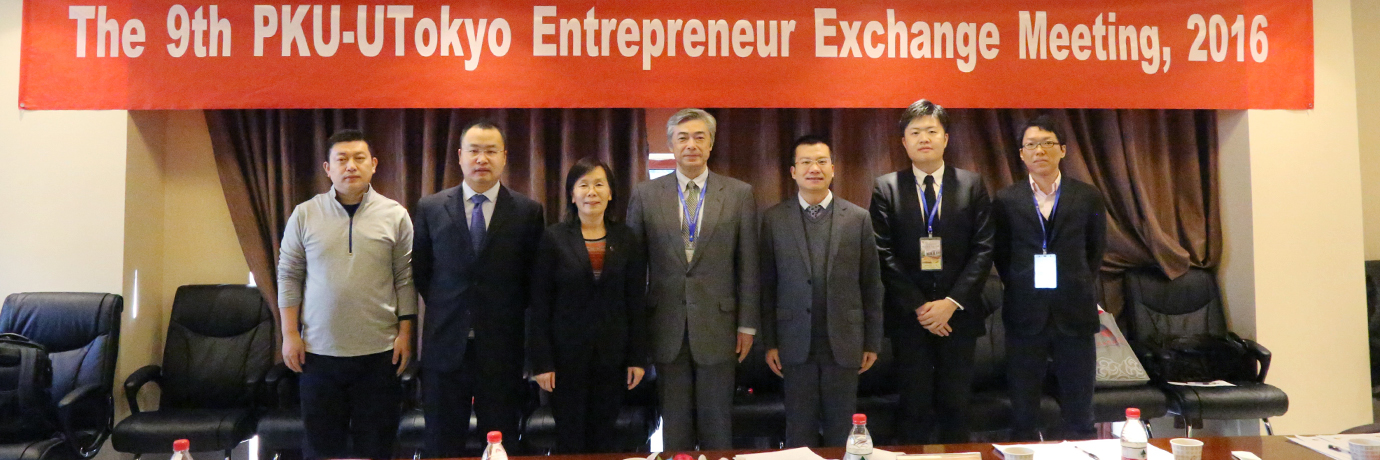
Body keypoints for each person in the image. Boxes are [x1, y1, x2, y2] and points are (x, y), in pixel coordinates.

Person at [277, 129, 416, 460]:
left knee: (378, 447)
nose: (350, 166)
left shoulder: (395, 214)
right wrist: (290, 333)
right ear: (328, 168)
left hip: (380, 354)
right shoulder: (305, 214)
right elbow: (289, 274)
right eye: (341, 159)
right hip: (319, 354)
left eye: (359, 158)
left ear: (374, 164)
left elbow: (405, 277)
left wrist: (406, 333)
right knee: (321, 448)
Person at [625, 108, 759, 450]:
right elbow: (633, 269)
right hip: (665, 323)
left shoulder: (739, 193)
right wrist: (636, 330)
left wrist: (747, 324)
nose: (691, 145)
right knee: (676, 428)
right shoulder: (645, 194)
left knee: (717, 425)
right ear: (671, 145)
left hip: (720, 324)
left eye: (700, 137)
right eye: (682, 138)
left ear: (711, 144)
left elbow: (748, 264)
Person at [412, 120, 545, 457]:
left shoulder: (527, 212)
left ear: (504, 157)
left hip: (501, 347)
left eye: (490, 151)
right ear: (460, 156)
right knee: (442, 443)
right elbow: (422, 273)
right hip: (445, 344)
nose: (481, 159)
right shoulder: (431, 207)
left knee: (500, 441)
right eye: (474, 151)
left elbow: (533, 281)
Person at [869, 99, 995, 444]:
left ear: (946, 138)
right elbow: (883, 253)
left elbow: (984, 249)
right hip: (910, 318)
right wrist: (921, 307)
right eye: (915, 132)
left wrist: (951, 303)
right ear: (903, 142)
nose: (924, 138)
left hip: (959, 316)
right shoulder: (886, 187)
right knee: (914, 407)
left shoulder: (971, 184)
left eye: (931, 131)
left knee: (957, 406)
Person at [760, 136, 884, 447]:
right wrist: (770, 341)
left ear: (833, 169)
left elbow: (871, 284)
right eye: (805, 162)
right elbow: (767, 285)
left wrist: (872, 340)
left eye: (821, 162)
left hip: (844, 340)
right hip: (793, 341)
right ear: (793, 171)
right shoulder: (774, 219)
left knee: (842, 430)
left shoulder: (857, 218)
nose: (813, 168)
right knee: (798, 430)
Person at [993, 114, 1107, 441]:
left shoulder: (1087, 196)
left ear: (1063, 149)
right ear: (1021, 154)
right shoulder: (1006, 199)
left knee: (1080, 413)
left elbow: (1095, 250)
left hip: (1075, 311)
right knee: (1024, 414)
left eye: (1047, 143)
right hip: (1025, 313)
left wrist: (1074, 281)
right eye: (1031, 145)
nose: (1039, 151)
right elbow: (1002, 254)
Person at [528, 157, 649, 453]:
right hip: (565, 359)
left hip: (612, 357)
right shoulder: (553, 238)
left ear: (610, 193)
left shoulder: (627, 238)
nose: (591, 192)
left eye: (599, 184)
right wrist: (542, 362)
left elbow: (636, 302)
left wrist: (637, 358)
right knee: (569, 439)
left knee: (604, 439)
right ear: (572, 195)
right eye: (583, 185)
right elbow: (540, 305)